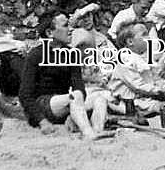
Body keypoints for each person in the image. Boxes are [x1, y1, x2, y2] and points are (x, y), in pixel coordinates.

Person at [18, 11, 113, 140]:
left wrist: (73, 112)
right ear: (49, 33)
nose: (70, 30)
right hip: (43, 106)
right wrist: (42, 121)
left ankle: (97, 130)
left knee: (99, 98)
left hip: (67, 102)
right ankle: (88, 133)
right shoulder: (36, 55)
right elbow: (25, 94)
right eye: (65, 26)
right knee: (74, 96)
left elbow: (78, 86)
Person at [107, 22, 165, 119]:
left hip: (144, 96)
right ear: (130, 42)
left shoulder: (143, 57)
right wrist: (160, 91)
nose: (149, 38)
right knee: (164, 108)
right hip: (127, 101)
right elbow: (137, 86)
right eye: (144, 35)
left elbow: (154, 78)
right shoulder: (125, 59)